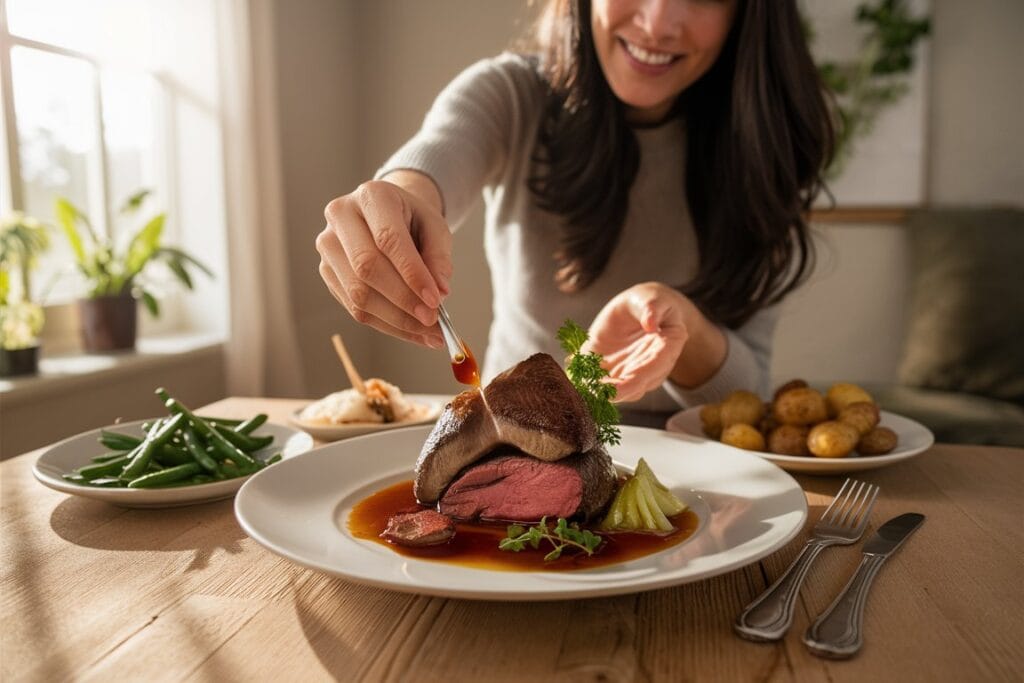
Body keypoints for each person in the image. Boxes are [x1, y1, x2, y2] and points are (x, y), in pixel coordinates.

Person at [316, 0, 833, 425]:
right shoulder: (511, 95)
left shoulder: (771, 142)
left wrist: (684, 326)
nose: (656, 23)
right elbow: (432, 162)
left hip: (705, 471)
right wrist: (397, 203)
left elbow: (748, 398)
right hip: (513, 439)